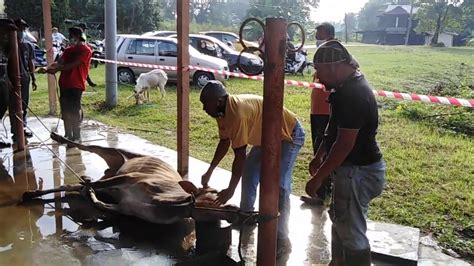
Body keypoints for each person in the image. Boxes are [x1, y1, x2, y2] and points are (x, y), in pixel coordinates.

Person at [200, 80, 305, 257]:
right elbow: (224, 142)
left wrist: (230, 190)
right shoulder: (222, 113)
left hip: (288, 135)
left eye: (205, 103)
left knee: (278, 185)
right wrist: (209, 171)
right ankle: (246, 216)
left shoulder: (237, 113)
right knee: (249, 173)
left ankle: (281, 239)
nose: (204, 108)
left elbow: (239, 156)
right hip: (266, 138)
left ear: (218, 100)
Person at [305, 40, 385, 266]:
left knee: (352, 233)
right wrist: (319, 153)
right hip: (353, 170)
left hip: (358, 171)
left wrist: (318, 178)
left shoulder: (353, 94)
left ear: (333, 67)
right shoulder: (345, 88)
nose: (318, 78)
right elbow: (334, 125)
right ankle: (338, 262)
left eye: (319, 71)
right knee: (340, 219)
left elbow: (344, 145)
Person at [46, 27, 92, 142]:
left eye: (71, 36)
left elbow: (74, 64)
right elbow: (60, 62)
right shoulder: (68, 50)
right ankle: (67, 134)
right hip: (64, 84)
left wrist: (57, 69)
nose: (70, 38)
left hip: (76, 84)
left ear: (77, 37)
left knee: (74, 110)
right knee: (65, 110)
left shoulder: (86, 51)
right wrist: (51, 66)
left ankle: (76, 136)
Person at [12, 18, 36, 141]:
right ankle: (15, 131)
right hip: (10, 80)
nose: (21, 32)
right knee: (13, 105)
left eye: (23, 29)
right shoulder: (8, 45)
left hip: (25, 78)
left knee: (24, 104)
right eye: (19, 29)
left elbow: (31, 63)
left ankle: (23, 128)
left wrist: (33, 78)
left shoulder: (28, 46)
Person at [0, 19, 17, 148]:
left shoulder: (5, 49)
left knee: (1, 109)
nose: (7, 37)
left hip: (3, 83)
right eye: (5, 33)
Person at [77, 22, 96, 87]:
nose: (84, 30)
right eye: (84, 28)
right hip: (81, 53)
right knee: (83, 68)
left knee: (84, 68)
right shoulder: (79, 35)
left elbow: (85, 42)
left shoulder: (83, 34)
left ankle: (88, 81)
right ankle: (88, 82)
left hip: (83, 52)